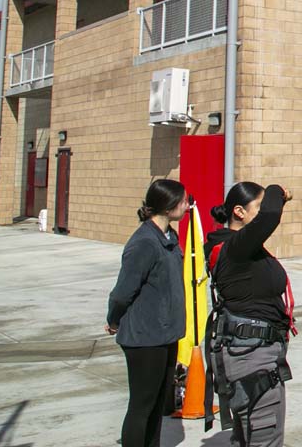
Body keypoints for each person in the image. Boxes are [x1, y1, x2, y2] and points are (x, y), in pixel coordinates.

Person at [204, 182, 296, 447]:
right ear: (239, 212)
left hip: (249, 353)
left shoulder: (238, 247)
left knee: (247, 437)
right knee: (263, 439)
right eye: (258, 204)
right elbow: (270, 216)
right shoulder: (237, 248)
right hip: (253, 358)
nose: (263, 209)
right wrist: (278, 190)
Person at [106, 178, 190, 447]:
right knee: (142, 405)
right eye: (184, 201)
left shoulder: (169, 237)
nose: (188, 205)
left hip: (167, 333)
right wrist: (113, 319)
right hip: (145, 338)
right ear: (167, 206)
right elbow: (123, 291)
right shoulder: (144, 243)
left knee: (158, 404)